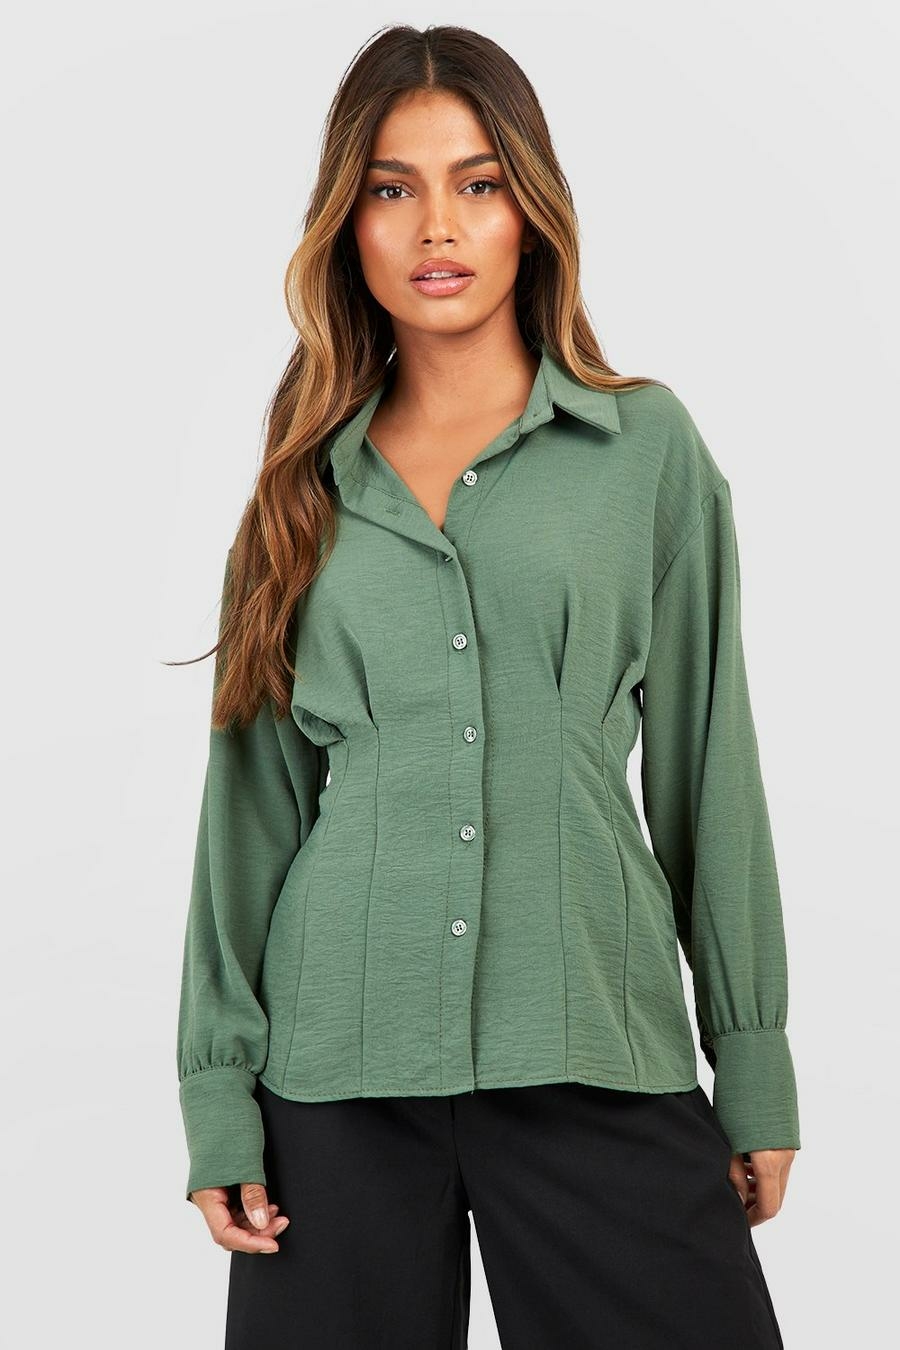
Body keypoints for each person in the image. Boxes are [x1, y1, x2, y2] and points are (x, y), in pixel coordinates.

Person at [173, 23, 800, 1349]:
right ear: (347, 223)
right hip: (336, 1072)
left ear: (534, 209)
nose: (436, 226)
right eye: (391, 188)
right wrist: (219, 1090)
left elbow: (709, 768)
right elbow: (250, 814)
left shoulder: (646, 451)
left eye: (479, 182)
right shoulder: (299, 487)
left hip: (592, 1039)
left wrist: (750, 1057)